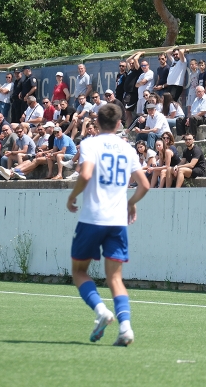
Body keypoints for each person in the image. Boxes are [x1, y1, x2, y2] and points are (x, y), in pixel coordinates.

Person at [66, 104, 149, 347]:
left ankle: (101, 311)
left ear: (97, 122)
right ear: (119, 123)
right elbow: (144, 185)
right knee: (115, 278)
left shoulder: (90, 143)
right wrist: (130, 204)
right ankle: (125, 328)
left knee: (79, 271)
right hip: (117, 222)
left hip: (92, 218)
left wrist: (72, 196)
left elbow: (87, 174)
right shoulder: (128, 148)